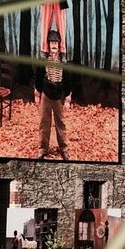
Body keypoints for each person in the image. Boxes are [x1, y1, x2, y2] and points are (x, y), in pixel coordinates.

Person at [35, 30, 76, 159]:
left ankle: (63, 149)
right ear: (48, 44)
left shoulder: (63, 62)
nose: (53, 44)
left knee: (60, 123)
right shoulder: (43, 60)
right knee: (44, 122)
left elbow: (68, 78)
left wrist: (68, 96)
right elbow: (38, 76)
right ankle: (43, 149)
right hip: (46, 94)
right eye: (51, 42)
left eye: (56, 42)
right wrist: (37, 91)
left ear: (59, 44)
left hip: (58, 96)